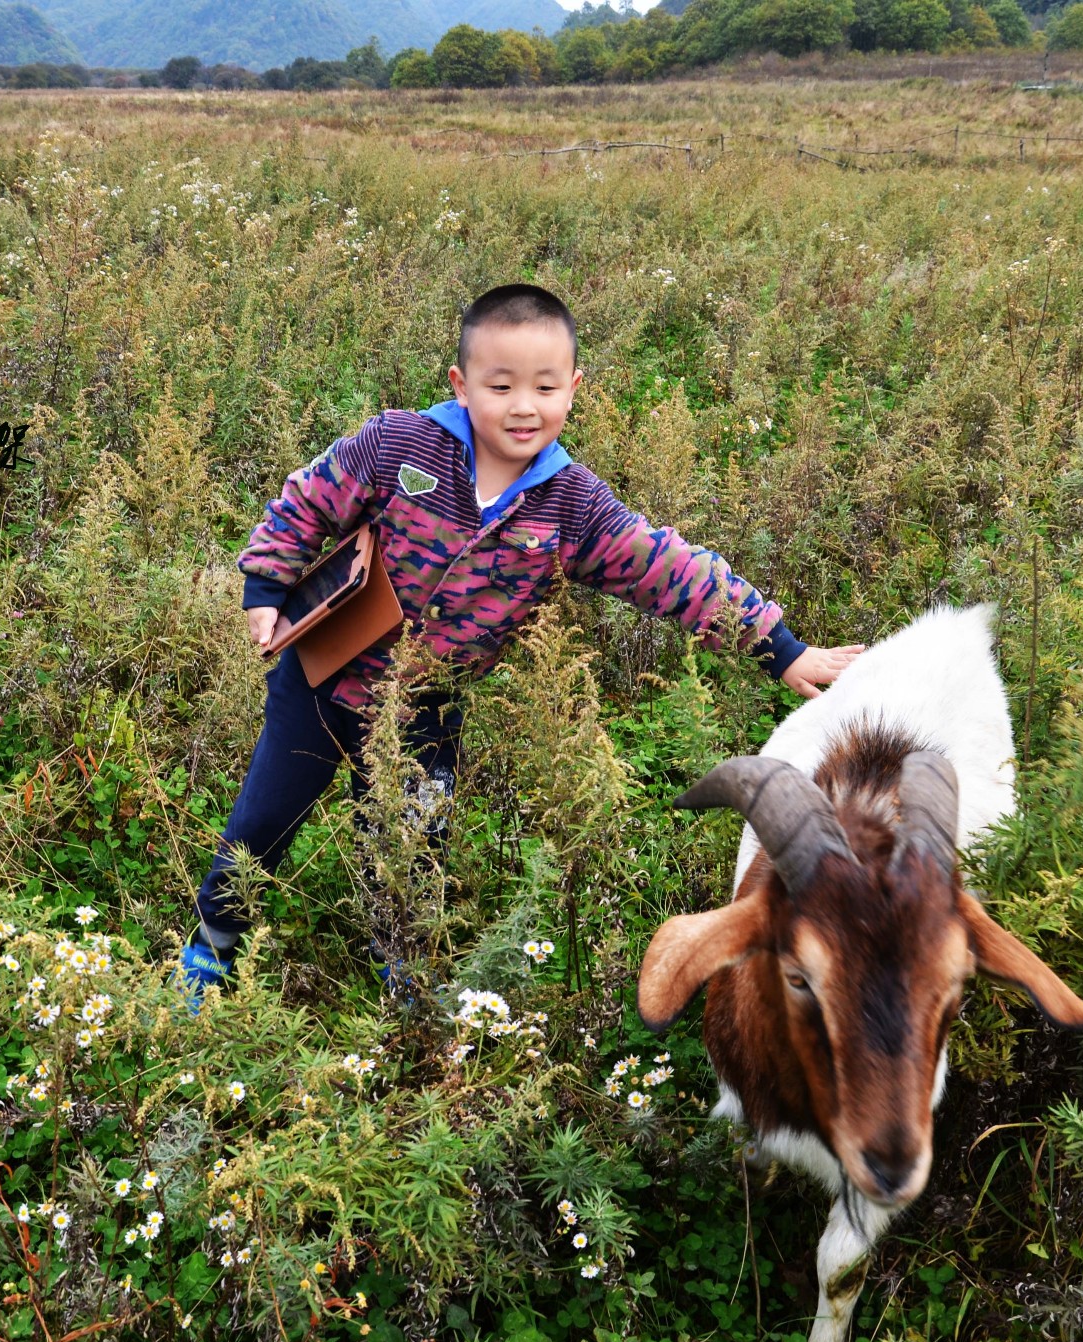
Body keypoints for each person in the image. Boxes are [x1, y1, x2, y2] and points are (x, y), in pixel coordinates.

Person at [179, 283, 864, 1002]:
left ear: (574, 388)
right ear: (462, 383)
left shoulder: (574, 505)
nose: (522, 405)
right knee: (261, 826)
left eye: (544, 386)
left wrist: (781, 648)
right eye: (499, 384)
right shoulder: (399, 444)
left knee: (411, 853)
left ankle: (404, 971)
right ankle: (213, 950)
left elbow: (671, 569)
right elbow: (309, 499)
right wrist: (264, 585)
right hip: (319, 683)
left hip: (426, 709)